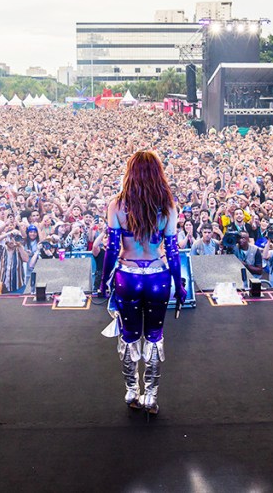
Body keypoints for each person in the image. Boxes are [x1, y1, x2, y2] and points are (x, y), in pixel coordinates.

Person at [99, 150, 184, 415]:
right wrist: (179, 285)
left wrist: (103, 281)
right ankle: (151, 395)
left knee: (129, 334)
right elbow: (172, 251)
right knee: (155, 336)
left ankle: (132, 390)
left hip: (128, 276)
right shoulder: (168, 206)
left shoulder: (117, 205)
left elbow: (112, 250)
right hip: (158, 276)